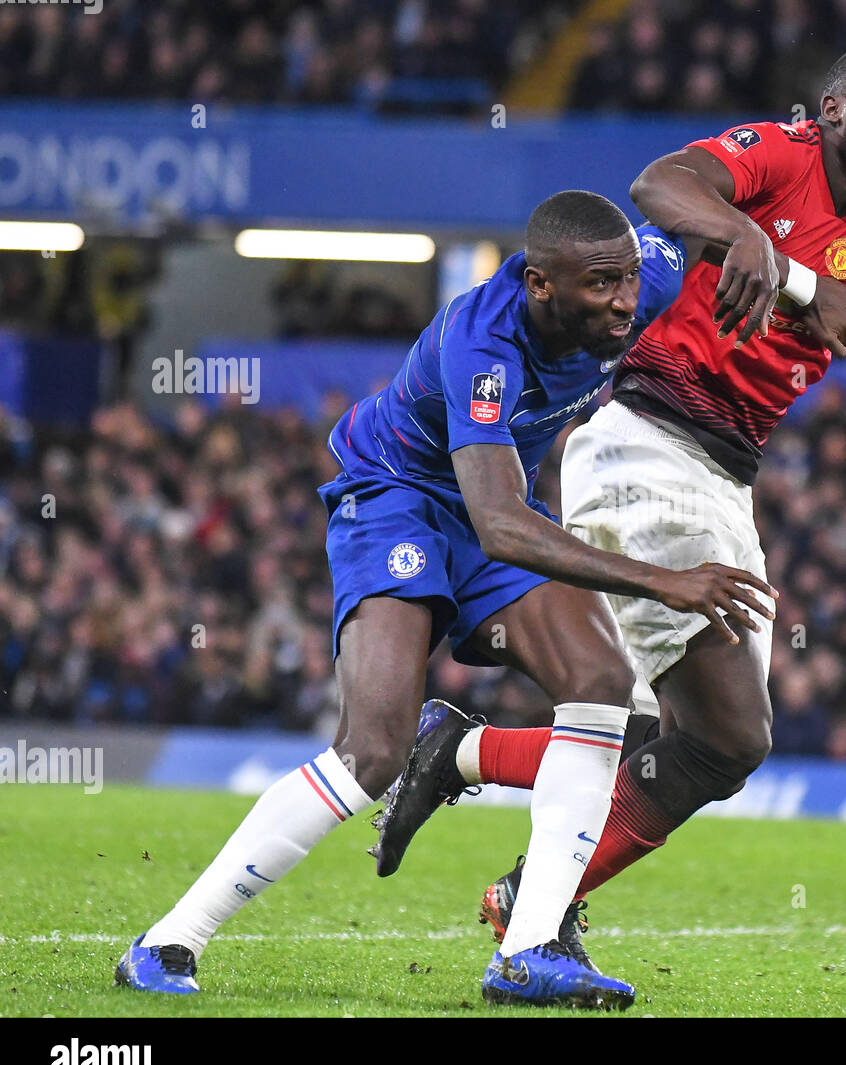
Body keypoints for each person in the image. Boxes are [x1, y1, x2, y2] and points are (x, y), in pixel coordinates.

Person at [377, 46, 846, 962]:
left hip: (724, 477)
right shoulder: (777, 154)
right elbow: (658, 185)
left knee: (682, 742)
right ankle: (534, 912)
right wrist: (762, 247)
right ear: (835, 111)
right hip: (647, 442)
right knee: (727, 731)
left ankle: (471, 774)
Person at [114, 190, 775, 1009]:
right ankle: (169, 939)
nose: (624, 302)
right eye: (602, 286)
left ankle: (528, 949)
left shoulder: (645, 275)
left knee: (601, 683)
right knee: (373, 751)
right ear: (540, 285)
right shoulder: (483, 344)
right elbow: (501, 527)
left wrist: (765, 250)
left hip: (490, 506)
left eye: (629, 281)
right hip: (398, 499)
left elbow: (673, 199)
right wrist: (667, 580)